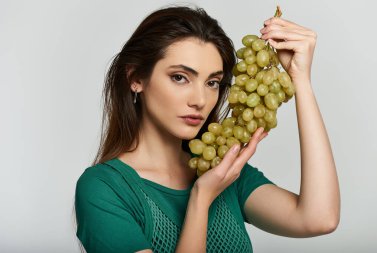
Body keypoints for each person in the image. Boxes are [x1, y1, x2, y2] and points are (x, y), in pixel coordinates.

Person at [74, 5, 340, 253]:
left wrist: (300, 79)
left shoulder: (220, 169)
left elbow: (319, 218)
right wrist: (200, 199)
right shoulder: (104, 189)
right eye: (180, 78)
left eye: (212, 82)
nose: (200, 100)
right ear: (136, 79)